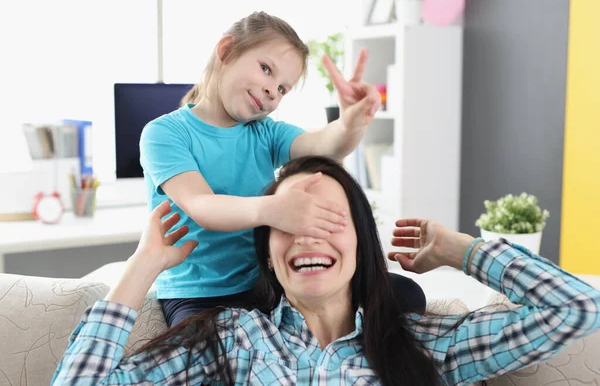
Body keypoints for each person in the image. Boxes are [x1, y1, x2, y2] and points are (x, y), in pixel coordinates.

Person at [53, 156, 600, 385]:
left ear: (362, 242)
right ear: (267, 252)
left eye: (331, 219)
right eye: (288, 221)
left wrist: (460, 250)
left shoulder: (427, 345)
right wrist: (144, 264)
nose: (310, 234)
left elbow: (579, 307)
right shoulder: (232, 338)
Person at [139, 11, 425, 326]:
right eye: (266, 69)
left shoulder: (266, 132)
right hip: (198, 292)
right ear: (226, 51)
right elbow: (203, 207)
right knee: (205, 355)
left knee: (405, 295)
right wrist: (275, 210)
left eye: (283, 88)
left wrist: (349, 123)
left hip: (266, 283)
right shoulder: (164, 133)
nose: (272, 91)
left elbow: (324, 146)